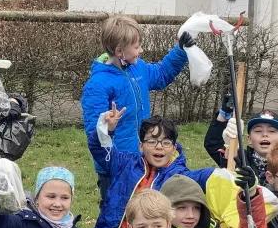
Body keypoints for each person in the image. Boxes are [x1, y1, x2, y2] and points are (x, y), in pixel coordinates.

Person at [80, 14, 194, 201]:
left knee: (144, 211)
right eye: (136, 46)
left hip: (143, 159)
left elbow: (161, 74)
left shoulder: (137, 68)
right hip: (116, 167)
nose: (141, 50)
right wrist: (107, 128)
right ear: (119, 51)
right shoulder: (98, 85)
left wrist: (180, 51)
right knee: (118, 215)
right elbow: (94, 132)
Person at [93, 115, 213, 228]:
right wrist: (106, 129)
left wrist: (221, 172)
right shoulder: (124, 164)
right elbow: (101, 150)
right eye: (152, 141)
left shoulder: (179, 176)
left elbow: (205, 176)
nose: (159, 147)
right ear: (141, 146)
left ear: (173, 148)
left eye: (166, 142)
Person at [203, 105, 278, 182]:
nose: (265, 134)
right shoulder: (239, 157)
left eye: (271, 131)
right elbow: (213, 144)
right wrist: (223, 117)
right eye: (258, 131)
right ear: (249, 139)